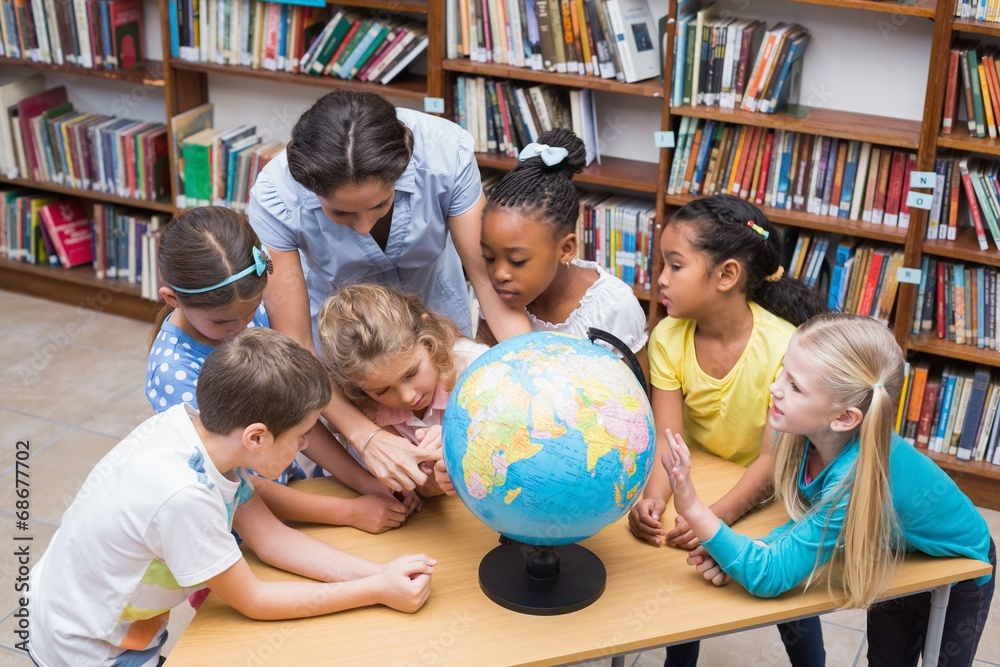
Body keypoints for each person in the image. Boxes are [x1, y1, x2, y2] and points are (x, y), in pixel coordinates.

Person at [29, 328, 436, 667]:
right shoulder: (185, 496)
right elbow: (254, 598)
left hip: (83, 607)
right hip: (85, 647)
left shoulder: (200, 431)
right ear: (256, 436)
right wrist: (375, 591)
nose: (305, 446)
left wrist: (378, 573)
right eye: (300, 436)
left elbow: (272, 539)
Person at [663, 313, 995, 667]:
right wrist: (741, 551)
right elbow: (810, 527)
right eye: (783, 372)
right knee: (886, 660)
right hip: (895, 551)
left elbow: (770, 576)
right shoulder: (806, 438)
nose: (775, 387)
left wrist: (696, 509)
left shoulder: (853, 478)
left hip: (962, 567)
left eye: (795, 385)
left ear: (843, 418)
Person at [247, 90, 529, 493]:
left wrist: (534, 375)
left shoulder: (445, 153)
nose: (362, 226)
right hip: (350, 349)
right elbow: (295, 342)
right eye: (340, 213)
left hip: (435, 315)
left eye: (380, 205)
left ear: (402, 170)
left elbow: (487, 281)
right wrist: (366, 436)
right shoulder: (276, 197)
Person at [626, 194, 827, 667]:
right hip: (702, 481)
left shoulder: (784, 347)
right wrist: (654, 497)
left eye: (675, 266)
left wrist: (711, 517)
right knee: (688, 591)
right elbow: (668, 441)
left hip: (774, 493)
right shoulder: (668, 339)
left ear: (727, 275)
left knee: (781, 589)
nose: (660, 280)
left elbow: (772, 460)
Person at [147, 207, 414, 534]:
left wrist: (366, 483)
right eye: (221, 321)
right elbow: (240, 488)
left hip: (297, 493)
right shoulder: (173, 372)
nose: (240, 328)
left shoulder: (253, 314)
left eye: (249, 312)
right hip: (245, 522)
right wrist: (348, 511)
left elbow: (295, 415)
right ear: (172, 298)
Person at [478, 127, 647, 357]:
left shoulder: (614, 308)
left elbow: (636, 391)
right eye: (489, 258)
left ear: (566, 249)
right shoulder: (498, 298)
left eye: (517, 261)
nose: (499, 274)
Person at [318, 283, 489, 497]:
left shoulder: (479, 368)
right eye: (382, 391)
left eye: (411, 373)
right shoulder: (365, 409)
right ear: (356, 388)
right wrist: (438, 474)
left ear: (428, 337)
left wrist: (463, 442)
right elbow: (422, 489)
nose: (408, 396)